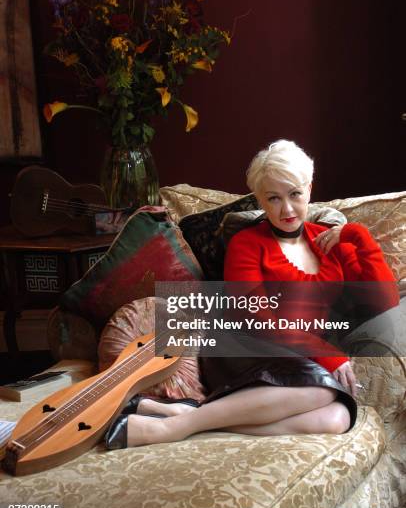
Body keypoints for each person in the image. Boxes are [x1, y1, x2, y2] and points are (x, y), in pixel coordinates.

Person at [105, 139, 399, 449]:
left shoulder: (329, 241)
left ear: (309, 189)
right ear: (260, 198)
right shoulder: (246, 244)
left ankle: (190, 417)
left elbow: (384, 301)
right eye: (273, 198)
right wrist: (327, 355)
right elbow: (258, 318)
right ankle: (172, 429)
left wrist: (357, 234)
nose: (286, 209)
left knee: (338, 418)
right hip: (248, 349)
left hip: (301, 360)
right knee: (324, 390)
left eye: (295, 194)